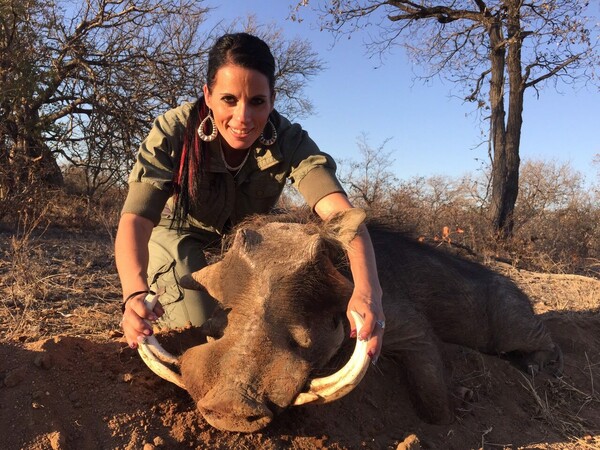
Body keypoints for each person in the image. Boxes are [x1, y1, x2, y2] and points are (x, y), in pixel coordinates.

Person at [116, 32, 385, 363]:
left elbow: (342, 217)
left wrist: (368, 291)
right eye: (229, 99)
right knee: (202, 331)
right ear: (208, 95)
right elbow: (137, 220)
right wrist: (135, 293)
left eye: (257, 101)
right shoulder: (172, 130)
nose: (243, 118)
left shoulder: (289, 139)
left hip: (249, 246)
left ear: (272, 98)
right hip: (180, 235)